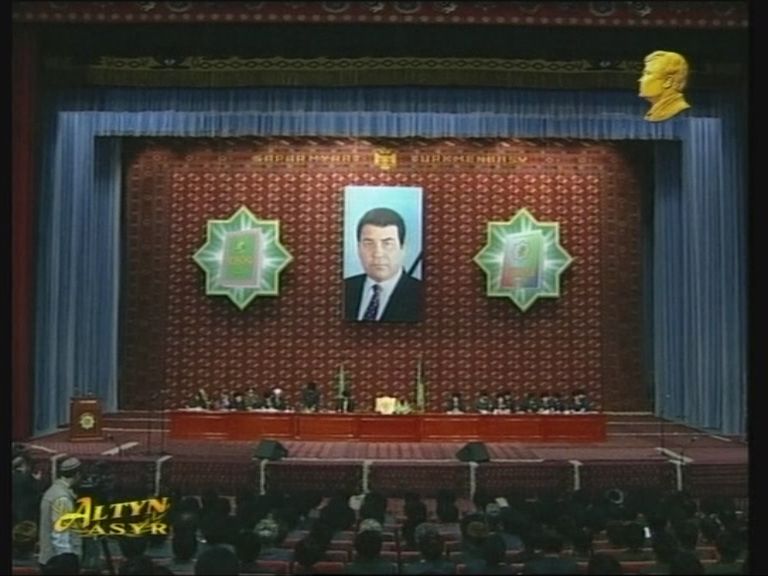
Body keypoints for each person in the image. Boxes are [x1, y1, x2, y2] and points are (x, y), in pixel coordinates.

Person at [344, 207, 423, 322]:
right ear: (358, 248)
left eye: (387, 244)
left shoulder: (421, 294)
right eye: (369, 243)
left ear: (403, 248)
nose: (378, 253)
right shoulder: (344, 288)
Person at [38, 457, 83, 569]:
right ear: (77, 474)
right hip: (59, 561)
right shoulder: (62, 498)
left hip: (51, 559)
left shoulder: (53, 491)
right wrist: (67, 560)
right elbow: (61, 532)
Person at [639, 50, 691, 122]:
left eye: (648, 73)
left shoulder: (674, 109)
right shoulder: (656, 111)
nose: (640, 80)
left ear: (668, 81)